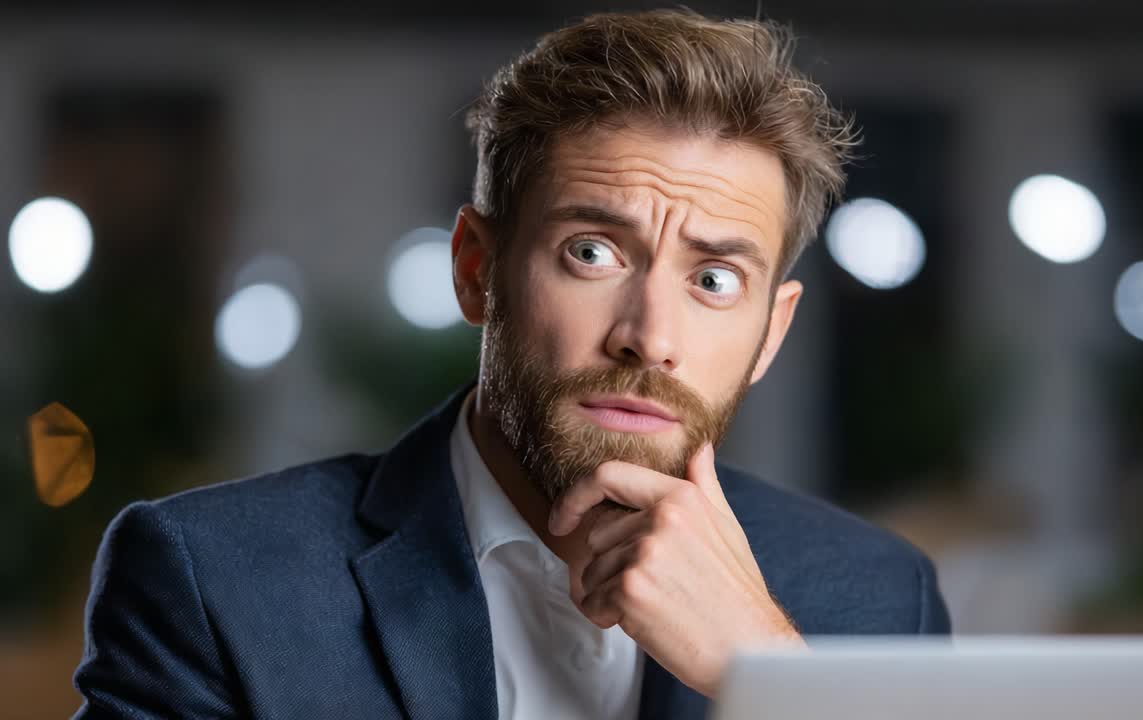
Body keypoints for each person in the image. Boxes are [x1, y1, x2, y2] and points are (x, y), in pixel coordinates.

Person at [73, 9, 949, 719]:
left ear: (771, 334)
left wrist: (770, 679)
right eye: (593, 254)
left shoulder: (878, 599)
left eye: (715, 279)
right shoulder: (214, 580)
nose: (649, 335)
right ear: (476, 270)